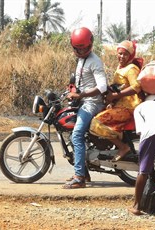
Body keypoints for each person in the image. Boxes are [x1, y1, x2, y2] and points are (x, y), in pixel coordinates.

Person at [62, 27, 108, 189]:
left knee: (77, 135)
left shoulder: (94, 61)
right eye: (77, 49)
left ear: (90, 45)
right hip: (84, 102)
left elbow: (102, 86)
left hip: (92, 104)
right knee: (72, 133)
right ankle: (84, 170)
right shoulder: (82, 60)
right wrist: (73, 91)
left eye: (84, 48)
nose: (81, 52)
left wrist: (80, 96)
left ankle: (80, 177)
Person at [89, 40, 144, 161]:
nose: (122, 56)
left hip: (128, 108)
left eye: (125, 54)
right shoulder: (120, 68)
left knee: (96, 122)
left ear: (130, 55)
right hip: (120, 106)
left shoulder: (131, 68)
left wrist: (114, 96)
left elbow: (136, 87)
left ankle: (123, 147)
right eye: (120, 53)